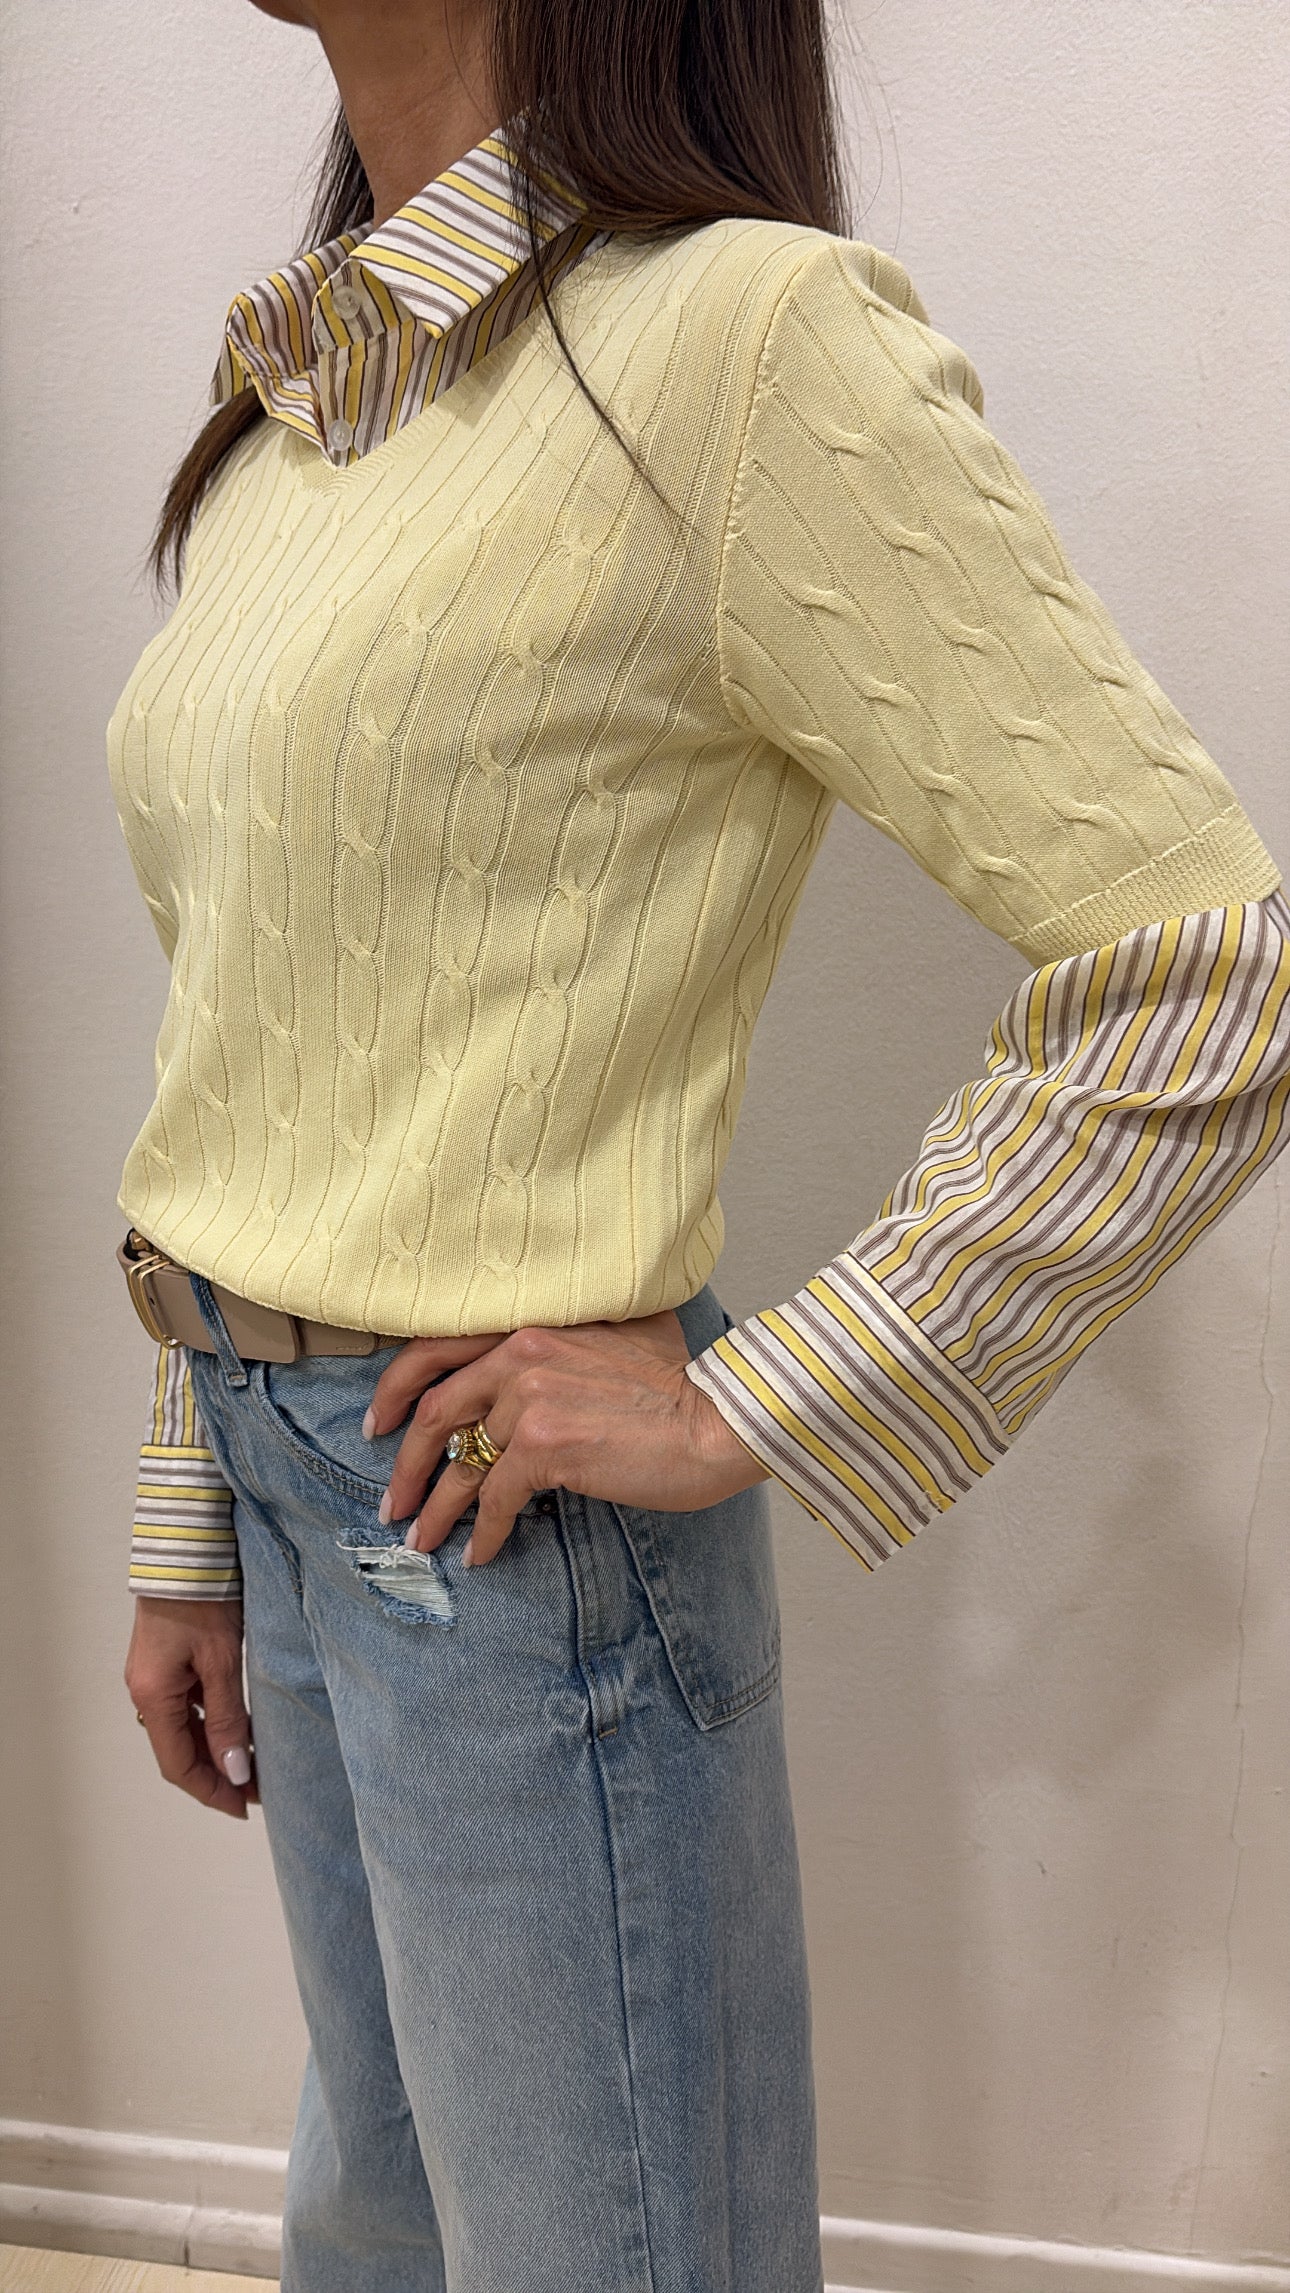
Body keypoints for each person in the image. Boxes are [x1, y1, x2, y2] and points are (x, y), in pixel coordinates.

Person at [113, 2, 1290, 2288]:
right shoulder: (297, 411)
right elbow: (244, 1022)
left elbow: (1206, 966)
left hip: (494, 1519)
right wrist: (193, 1513)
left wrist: (755, 1394)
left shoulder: (744, 345)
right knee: (378, 2232)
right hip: (290, 1489)